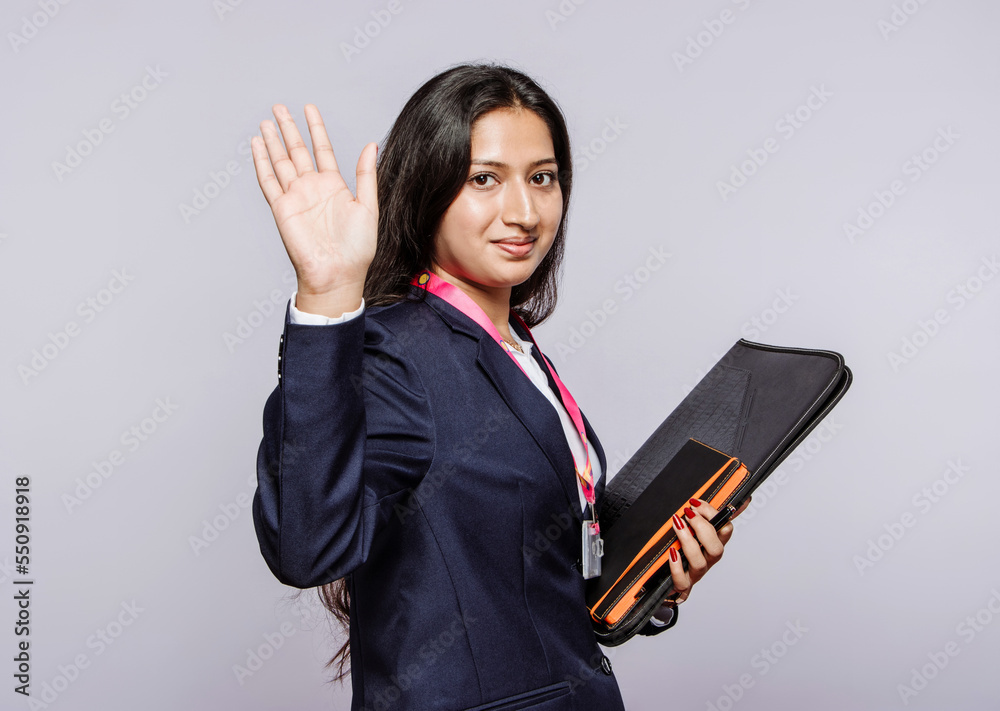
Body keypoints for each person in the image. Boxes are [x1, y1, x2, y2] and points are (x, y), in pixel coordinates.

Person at [251, 63, 747, 711]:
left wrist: (653, 578)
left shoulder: (515, 345)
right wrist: (326, 294)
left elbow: (529, 579)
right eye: (485, 179)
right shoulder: (394, 350)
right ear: (428, 189)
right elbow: (308, 546)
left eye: (542, 178)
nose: (523, 211)